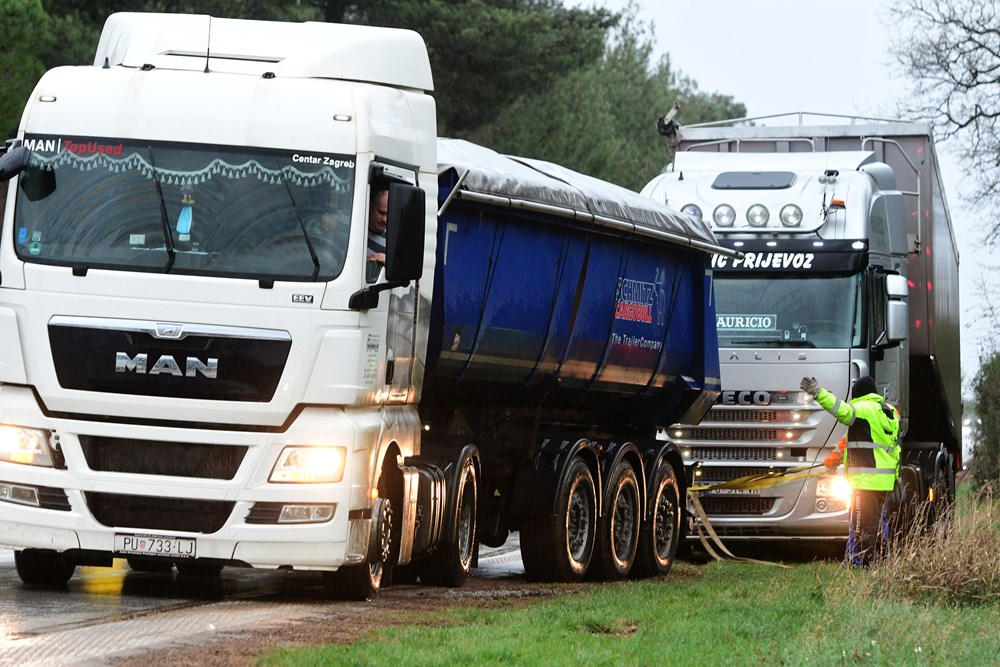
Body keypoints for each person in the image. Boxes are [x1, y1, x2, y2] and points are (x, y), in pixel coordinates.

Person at [800, 375, 901, 566]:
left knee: (862, 526)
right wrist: (832, 461)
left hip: (865, 482)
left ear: (859, 394)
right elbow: (889, 447)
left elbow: (842, 411)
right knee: (880, 524)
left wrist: (818, 392)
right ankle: (883, 562)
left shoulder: (863, 409)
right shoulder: (890, 412)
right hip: (885, 482)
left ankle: (865, 566)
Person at [367, 189, 388, 264]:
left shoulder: (391, 243)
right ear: (371, 208)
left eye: (389, 215)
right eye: (381, 212)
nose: (384, 220)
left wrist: (389, 262)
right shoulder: (350, 226)